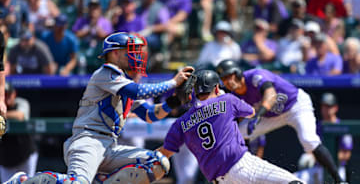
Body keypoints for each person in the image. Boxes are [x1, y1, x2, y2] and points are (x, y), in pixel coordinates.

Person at [5, 32, 194, 184]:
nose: (135, 55)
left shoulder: (123, 84)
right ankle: (24, 181)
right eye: (129, 50)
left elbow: (150, 114)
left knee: (157, 162)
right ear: (114, 53)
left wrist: (176, 101)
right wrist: (172, 82)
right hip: (87, 141)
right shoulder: (106, 73)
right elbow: (137, 91)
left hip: (109, 147)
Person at [157, 70, 303, 184]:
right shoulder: (227, 100)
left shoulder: (180, 122)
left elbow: (165, 153)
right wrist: (222, 95)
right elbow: (251, 112)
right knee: (294, 182)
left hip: (219, 180)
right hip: (241, 165)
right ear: (216, 88)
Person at [215, 59, 345, 183]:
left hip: (296, 106)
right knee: (241, 133)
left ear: (238, 72)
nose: (229, 81)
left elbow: (271, 95)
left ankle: (339, 180)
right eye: (225, 79)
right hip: (271, 116)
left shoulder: (255, 75)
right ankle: (245, 174)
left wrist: (258, 115)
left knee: (309, 140)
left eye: (230, 75)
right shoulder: (234, 95)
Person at [0, 82, 37, 183]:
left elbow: (20, 116)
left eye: (9, 94)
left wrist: (3, 114)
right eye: (4, 94)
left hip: (25, 155)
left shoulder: (20, 102)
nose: (7, 97)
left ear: (14, 94)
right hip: (5, 160)